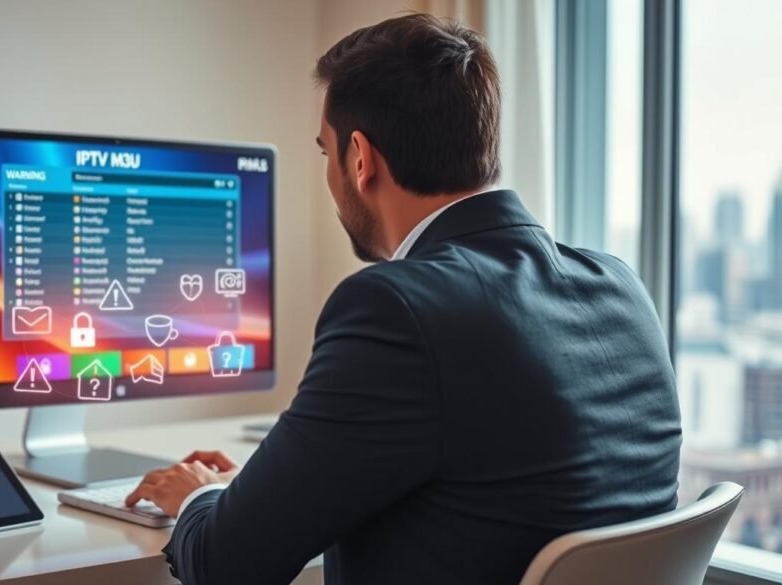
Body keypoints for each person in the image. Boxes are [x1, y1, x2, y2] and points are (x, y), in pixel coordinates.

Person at [125, 13, 681, 585]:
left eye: (326, 153)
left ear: (360, 159)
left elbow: (226, 564)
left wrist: (202, 496)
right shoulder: (620, 285)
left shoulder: (395, 310)